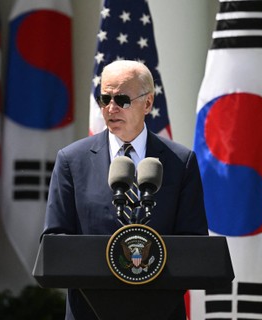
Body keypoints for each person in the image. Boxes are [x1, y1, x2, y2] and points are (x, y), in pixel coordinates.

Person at [42, 60, 208, 319]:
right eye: (104, 98)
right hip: (89, 311)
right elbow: (54, 241)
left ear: (148, 103)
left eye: (121, 99)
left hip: (160, 311)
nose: (111, 108)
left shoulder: (180, 162)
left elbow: (194, 243)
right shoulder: (72, 160)